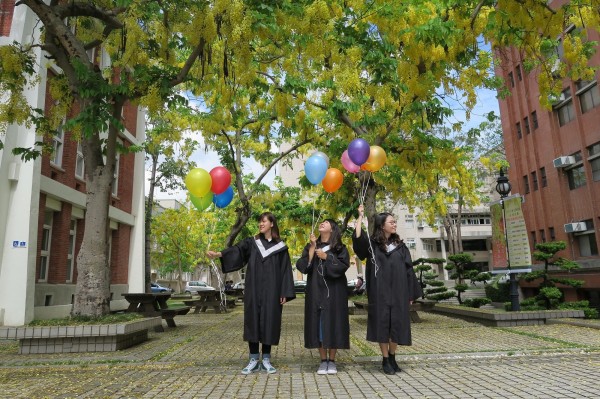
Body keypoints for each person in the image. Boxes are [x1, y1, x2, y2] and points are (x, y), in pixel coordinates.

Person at [207, 212, 295, 375]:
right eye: (260, 222)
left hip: (272, 291)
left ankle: (266, 359)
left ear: (272, 224)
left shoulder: (281, 247)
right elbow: (237, 250)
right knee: (253, 320)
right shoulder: (252, 242)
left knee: (270, 321)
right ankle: (253, 359)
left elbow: (285, 271)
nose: (261, 224)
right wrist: (219, 254)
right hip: (254, 289)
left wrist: (284, 291)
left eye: (264, 221)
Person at [352, 204, 423, 375]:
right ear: (382, 225)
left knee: (397, 325)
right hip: (380, 292)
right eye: (391, 222)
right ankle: (385, 359)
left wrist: (411, 293)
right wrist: (360, 216)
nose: (394, 224)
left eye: (394, 222)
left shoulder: (400, 246)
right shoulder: (372, 246)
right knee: (383, 324)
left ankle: (392, 356)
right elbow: (358, 240)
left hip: (399, 292)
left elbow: (408, 269)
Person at [296, 219, 350, 375]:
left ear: (332, 229)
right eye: (321, 222)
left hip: (335, 292)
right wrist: (313, 247)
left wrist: (328, 257)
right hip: (316, 290)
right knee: (318, 323)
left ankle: (332, 361)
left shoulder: (340, 248)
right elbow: (303, 266)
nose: (321, 224)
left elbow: (342, 266)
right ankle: (322, 360)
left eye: (326, 223)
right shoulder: (311, 246)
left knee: (334, 323)